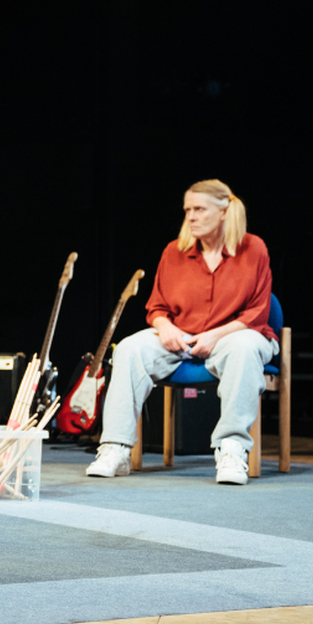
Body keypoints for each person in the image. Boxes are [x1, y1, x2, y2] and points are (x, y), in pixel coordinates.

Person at [86, 179, 277, 485]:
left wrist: (216, 335)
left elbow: (257, 312)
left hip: (235, 336)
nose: (191, 216)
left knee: (244, 347)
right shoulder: (174, 251)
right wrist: (166, 328)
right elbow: (157, 307)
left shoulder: (253, 248)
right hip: (182, 338)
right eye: (188, 209)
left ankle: (231, 449)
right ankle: (115, 448)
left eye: (199, 209)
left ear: (225, 211)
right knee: (129, 348)